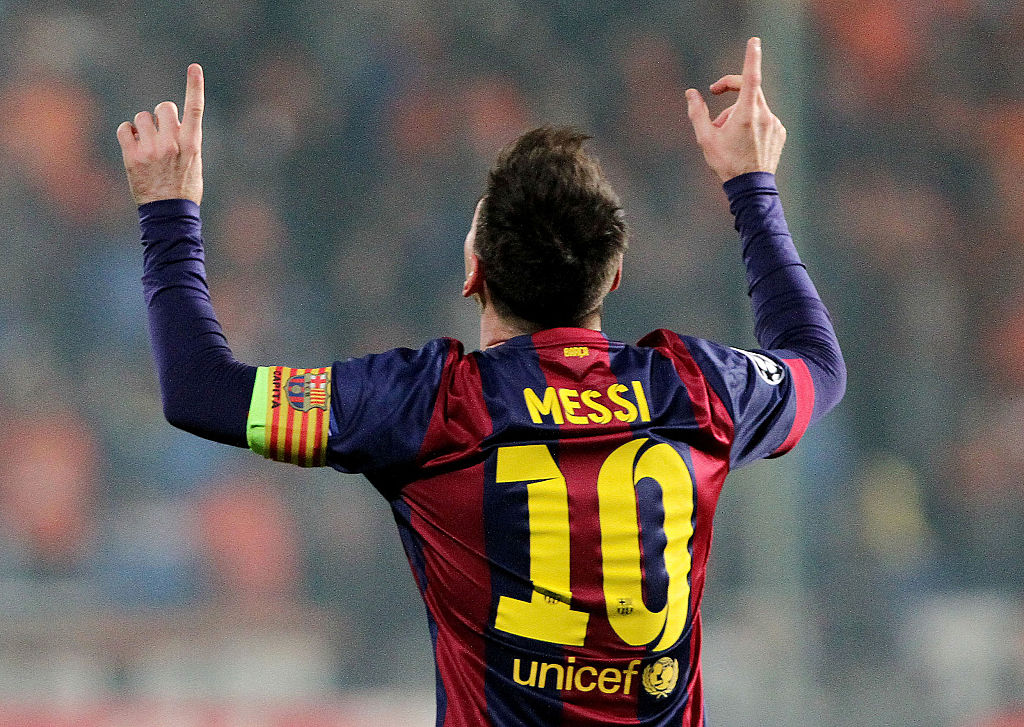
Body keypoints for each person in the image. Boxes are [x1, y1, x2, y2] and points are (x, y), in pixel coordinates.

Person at [117, 37, 845, 727]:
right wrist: (753, 187)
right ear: (614, 277)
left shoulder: (426, 407)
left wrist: (168, 210)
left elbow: (200, 391)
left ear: (474, 273)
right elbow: (817, 362)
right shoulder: (697, 390)